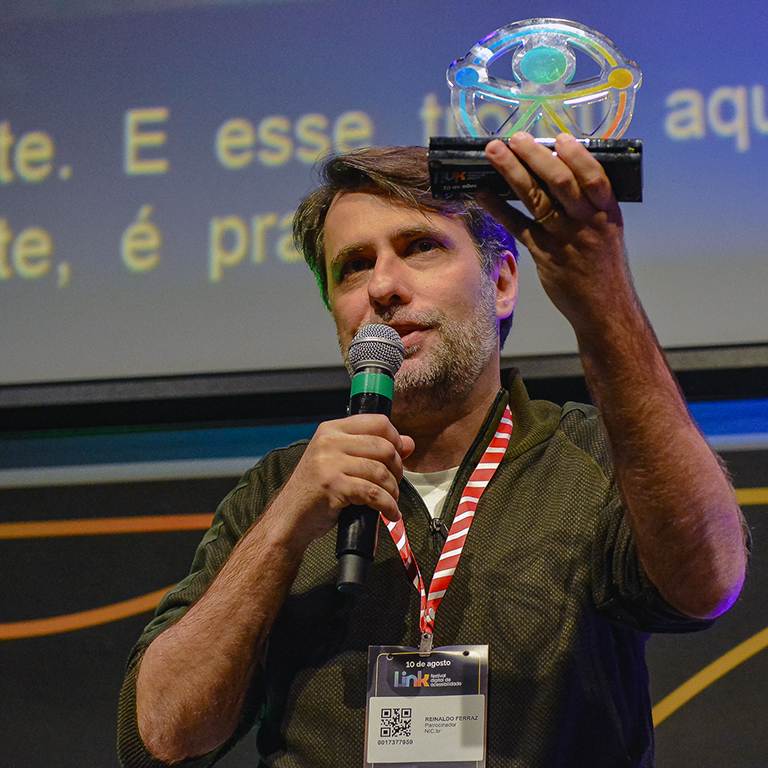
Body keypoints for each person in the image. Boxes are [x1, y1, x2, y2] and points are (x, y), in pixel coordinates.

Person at [117, 134, 748, 768]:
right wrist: (284, 529)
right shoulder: (278, 487)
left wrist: (602, 304)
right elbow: (165, 738)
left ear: (502, 283)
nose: (383, 287)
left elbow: (706, 585)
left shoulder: (590, 457)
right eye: (354, 266)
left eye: (420, 247)